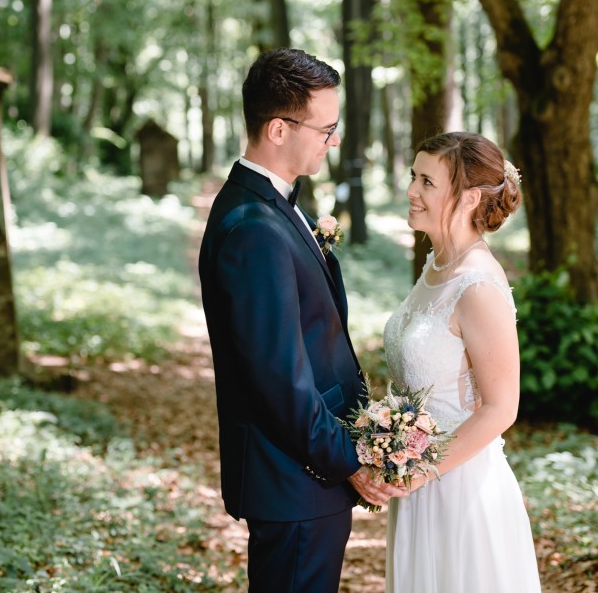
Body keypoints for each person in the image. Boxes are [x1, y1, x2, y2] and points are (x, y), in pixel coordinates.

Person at [198, 48, 403, 593]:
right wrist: (348, 462)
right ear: (279, 129)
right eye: (325, 128)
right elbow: (279, 379)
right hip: (293, 479)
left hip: (301, 476)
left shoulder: (271, 206)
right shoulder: (252, 227)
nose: (333, 141)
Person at [383, 131, 541, 592]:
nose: (411, 190)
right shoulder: (436, 265)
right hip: (416, 488)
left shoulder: (478, 286)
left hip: (462, 492)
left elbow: (501, 407)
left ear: (469, 197)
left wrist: (419, 469)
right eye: (414, 177)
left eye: (427, 182)